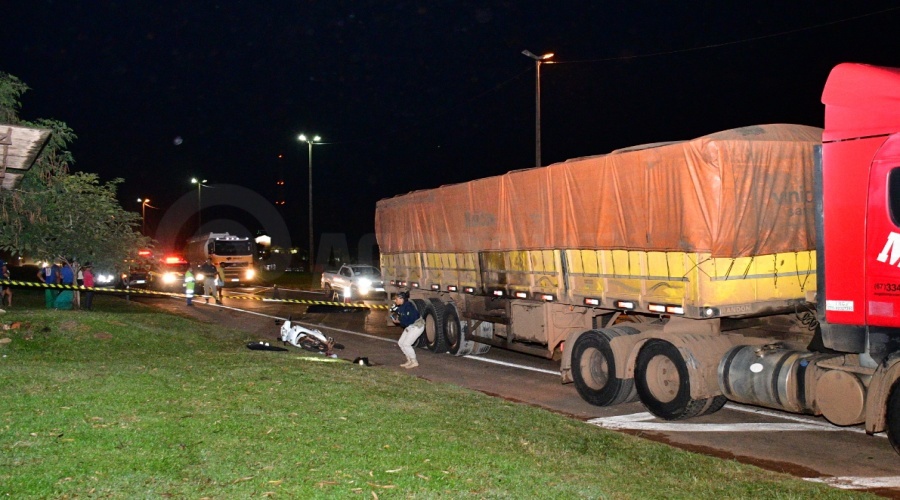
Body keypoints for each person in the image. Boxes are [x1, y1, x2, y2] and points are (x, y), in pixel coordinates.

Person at [391, 291, 425, 369]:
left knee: (406, 344)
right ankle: (409, 360)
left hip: (417, 326)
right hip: (411, 326)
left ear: (402, 299)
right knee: (401, 343)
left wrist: (399, 321)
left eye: (396, 299)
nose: (395, 300)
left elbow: (410, 320)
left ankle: (414, 361)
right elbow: (397, 313)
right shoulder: (401, 306)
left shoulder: (409, 307)